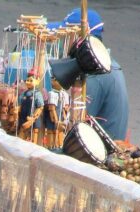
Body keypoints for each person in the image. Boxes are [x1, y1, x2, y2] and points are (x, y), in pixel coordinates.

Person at [51, 8, 130, 141]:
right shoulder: (105, 63)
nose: (62, 41)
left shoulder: (96, 74)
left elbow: (74, 122)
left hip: (99, 153)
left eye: (67, 37)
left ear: (80, 39)